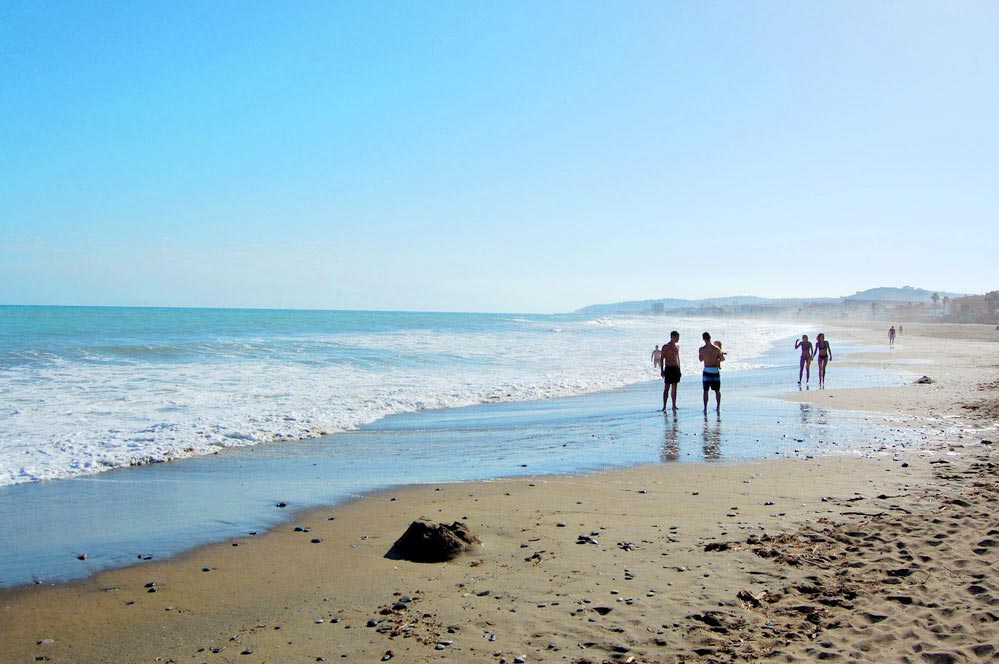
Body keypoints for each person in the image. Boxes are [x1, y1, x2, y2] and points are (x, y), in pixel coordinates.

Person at [698, 331, 724, 414]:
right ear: (710, 338)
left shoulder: (701, 349)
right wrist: (717, 358)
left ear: (703, 339)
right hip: (715, 370)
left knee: (705, 390)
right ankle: (718, 407)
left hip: (707, 370)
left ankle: (705, 408)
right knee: (717, 390)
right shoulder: (716, 349)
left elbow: (700, 359)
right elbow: (722, 359)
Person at [660, 331, 681, 412]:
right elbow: (662, 358)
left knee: (674, 388)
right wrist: (662, 370)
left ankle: (674, 405)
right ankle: (664, 406)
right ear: (673, 337)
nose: (678, 339)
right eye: (677, 337)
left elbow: (678, 358)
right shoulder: (666, 346)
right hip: (668, 368)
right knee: (667, 387)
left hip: (675, 368)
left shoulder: (677, 346)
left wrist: (679, 369)